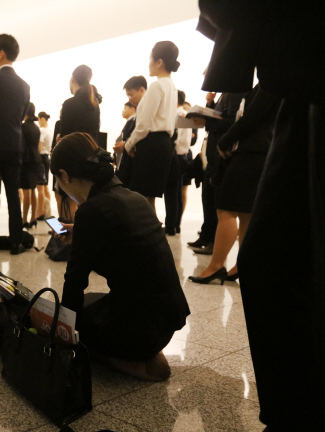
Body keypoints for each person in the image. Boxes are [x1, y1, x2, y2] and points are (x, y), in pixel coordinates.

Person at [198, 3, 324, 431]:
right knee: (270, 262)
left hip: (305, 78)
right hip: (301, 87)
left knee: (283, 261)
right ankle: (292, 414)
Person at [52, 132, 190, 382]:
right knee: (91, 301)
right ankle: (146, 349)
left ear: (64, 175)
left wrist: (64, 331)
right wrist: (79, 233)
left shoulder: (91, 210)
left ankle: (132, 361)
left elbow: (74, 282)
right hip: (167, 318)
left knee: (67, 314)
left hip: (140, 331)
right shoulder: (133, 197)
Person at [189, 84, 280, 283]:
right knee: (245, 213)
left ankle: (215, 266)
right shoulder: (267, 85)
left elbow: (250, 118)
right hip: (257, 151)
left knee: (226, 209)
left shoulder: (267, 86)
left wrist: (225, 141)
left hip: (251, 152)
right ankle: (240, 264)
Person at [116, 42, 179, 211]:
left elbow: (144, 125)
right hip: (163, 144)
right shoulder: (171, 86)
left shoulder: (157, 86)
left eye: (150, 58)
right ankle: (151, 234)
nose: (149, 63)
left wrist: (128, 145)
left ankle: (144, 233)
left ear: (159, 62)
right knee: (149, 197)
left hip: (151, 144)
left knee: (141, 197)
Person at [0, 33, 30, 254]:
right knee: (13, 195)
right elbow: (20, 116)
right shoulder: (24, 86)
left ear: (1, 53)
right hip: (14, 145)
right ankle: (16, 241)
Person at [187, 91, 245, 254]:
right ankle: (207, 237)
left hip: (221, 153)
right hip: (214, 153)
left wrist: (206, 121)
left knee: (216, 201)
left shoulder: (235, 93)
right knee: (208, 197)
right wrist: (210, 105)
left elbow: (232, 121)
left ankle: (213, 243)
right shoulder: (225, 93)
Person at [57, 65, 101, 220]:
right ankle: (83, 237)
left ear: (73, 79)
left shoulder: (69, 104)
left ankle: (69, 238)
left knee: (68, 201)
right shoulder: (94, 105)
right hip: (90, 161)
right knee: (85, 201)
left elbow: (66, 137)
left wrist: (59, 140)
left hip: (71, 160)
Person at [163, 90, 192, 235]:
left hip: (176, 156)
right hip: (184, 156)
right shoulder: (185, 114)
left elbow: (176, 138)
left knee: (171, 193)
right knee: (177, 193)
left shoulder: (177, 115)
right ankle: (176, 224)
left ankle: (170, 226)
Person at [115, 76, 147, 186]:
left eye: (131, 95)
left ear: (142, 90)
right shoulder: (140, 109)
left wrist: (126, 146)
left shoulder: (146, 107)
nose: (129, 99)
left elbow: (142, 130)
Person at [20, 103, 40, 230]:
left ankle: (24, 220)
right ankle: (33, 218)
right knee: (33, 189)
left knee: (26, 190)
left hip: (26, 159)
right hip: (36, 159)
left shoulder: (23, 127)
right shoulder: (36, 127)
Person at [36, 111, 53, 219]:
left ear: (42, 118)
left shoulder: (42, 131)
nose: (38, 122)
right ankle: (47, 211)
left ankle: (40, 212)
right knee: (45, 186)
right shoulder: (49, 130)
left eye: (38, 119)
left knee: (40, 188)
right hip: (47, 158)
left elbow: (39, 148)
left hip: (41, 159)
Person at [113, 101, 136, 173]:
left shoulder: (133, 122)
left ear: (132, 109)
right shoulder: (129, 122)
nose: (123, 111)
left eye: (125, 108)